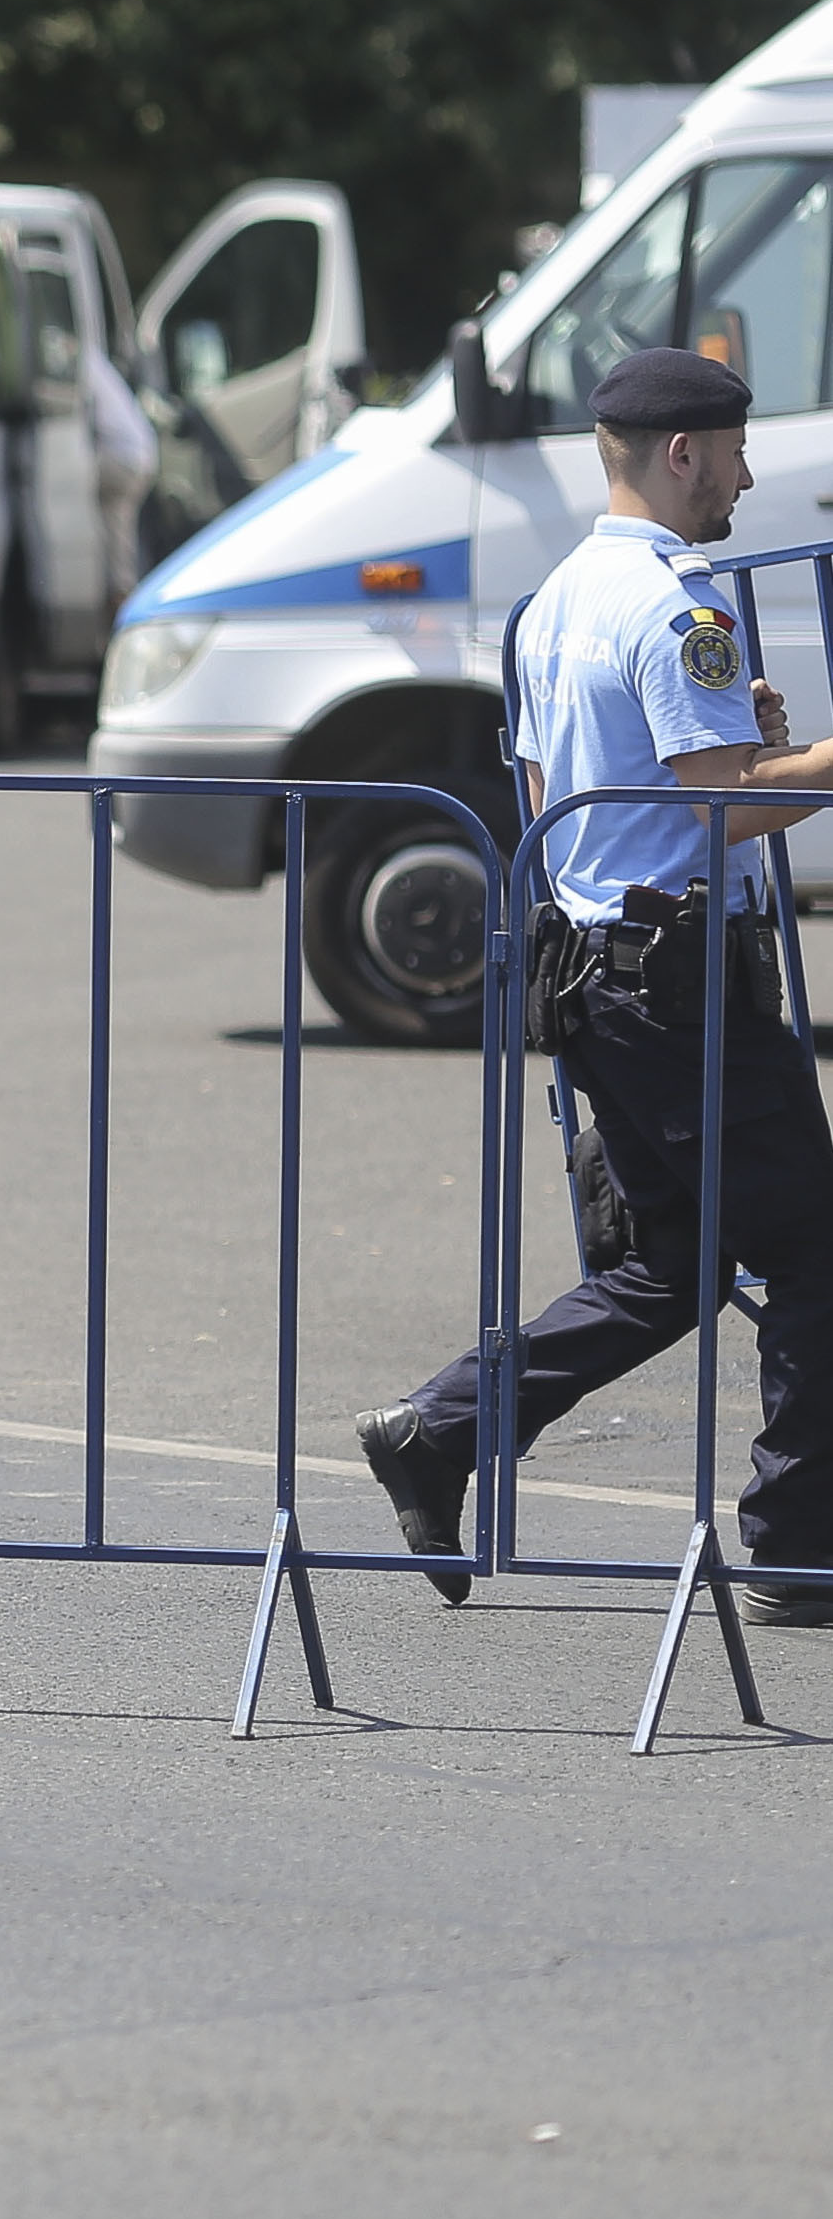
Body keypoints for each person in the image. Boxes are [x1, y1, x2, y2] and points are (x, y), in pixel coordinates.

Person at [355, 345, 833, 1623]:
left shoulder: (549, 601)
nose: (741, 475)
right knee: (814, 1249)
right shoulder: (682, 605)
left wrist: (745, 758)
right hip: (681, 986)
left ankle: (439, 1430)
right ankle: (799, 1546)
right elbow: (719, 804)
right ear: (682, 453)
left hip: (598, 976)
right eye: (732, 450)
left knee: (669, 1268)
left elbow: (557, 799)